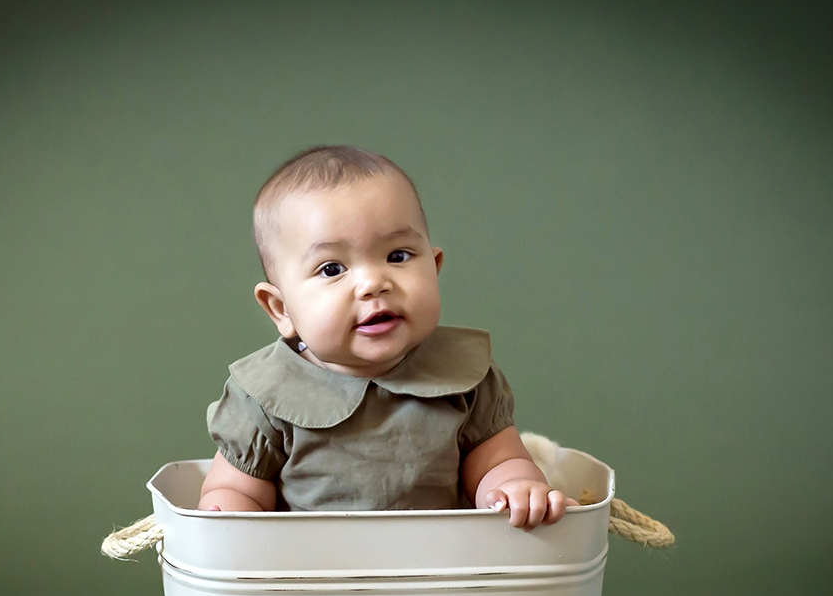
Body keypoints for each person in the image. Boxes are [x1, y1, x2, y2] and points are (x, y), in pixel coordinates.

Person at [198, 145, 575, 528]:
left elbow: (496, 462)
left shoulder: (462, 376)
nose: (373, 283)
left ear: (434, 265)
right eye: (332, 269)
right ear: (281, 309)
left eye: (397, 256)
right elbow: (240, 490)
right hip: (313, 575)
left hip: (438, 571)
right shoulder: (266, 394)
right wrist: (226, 510)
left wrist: (514, 486)